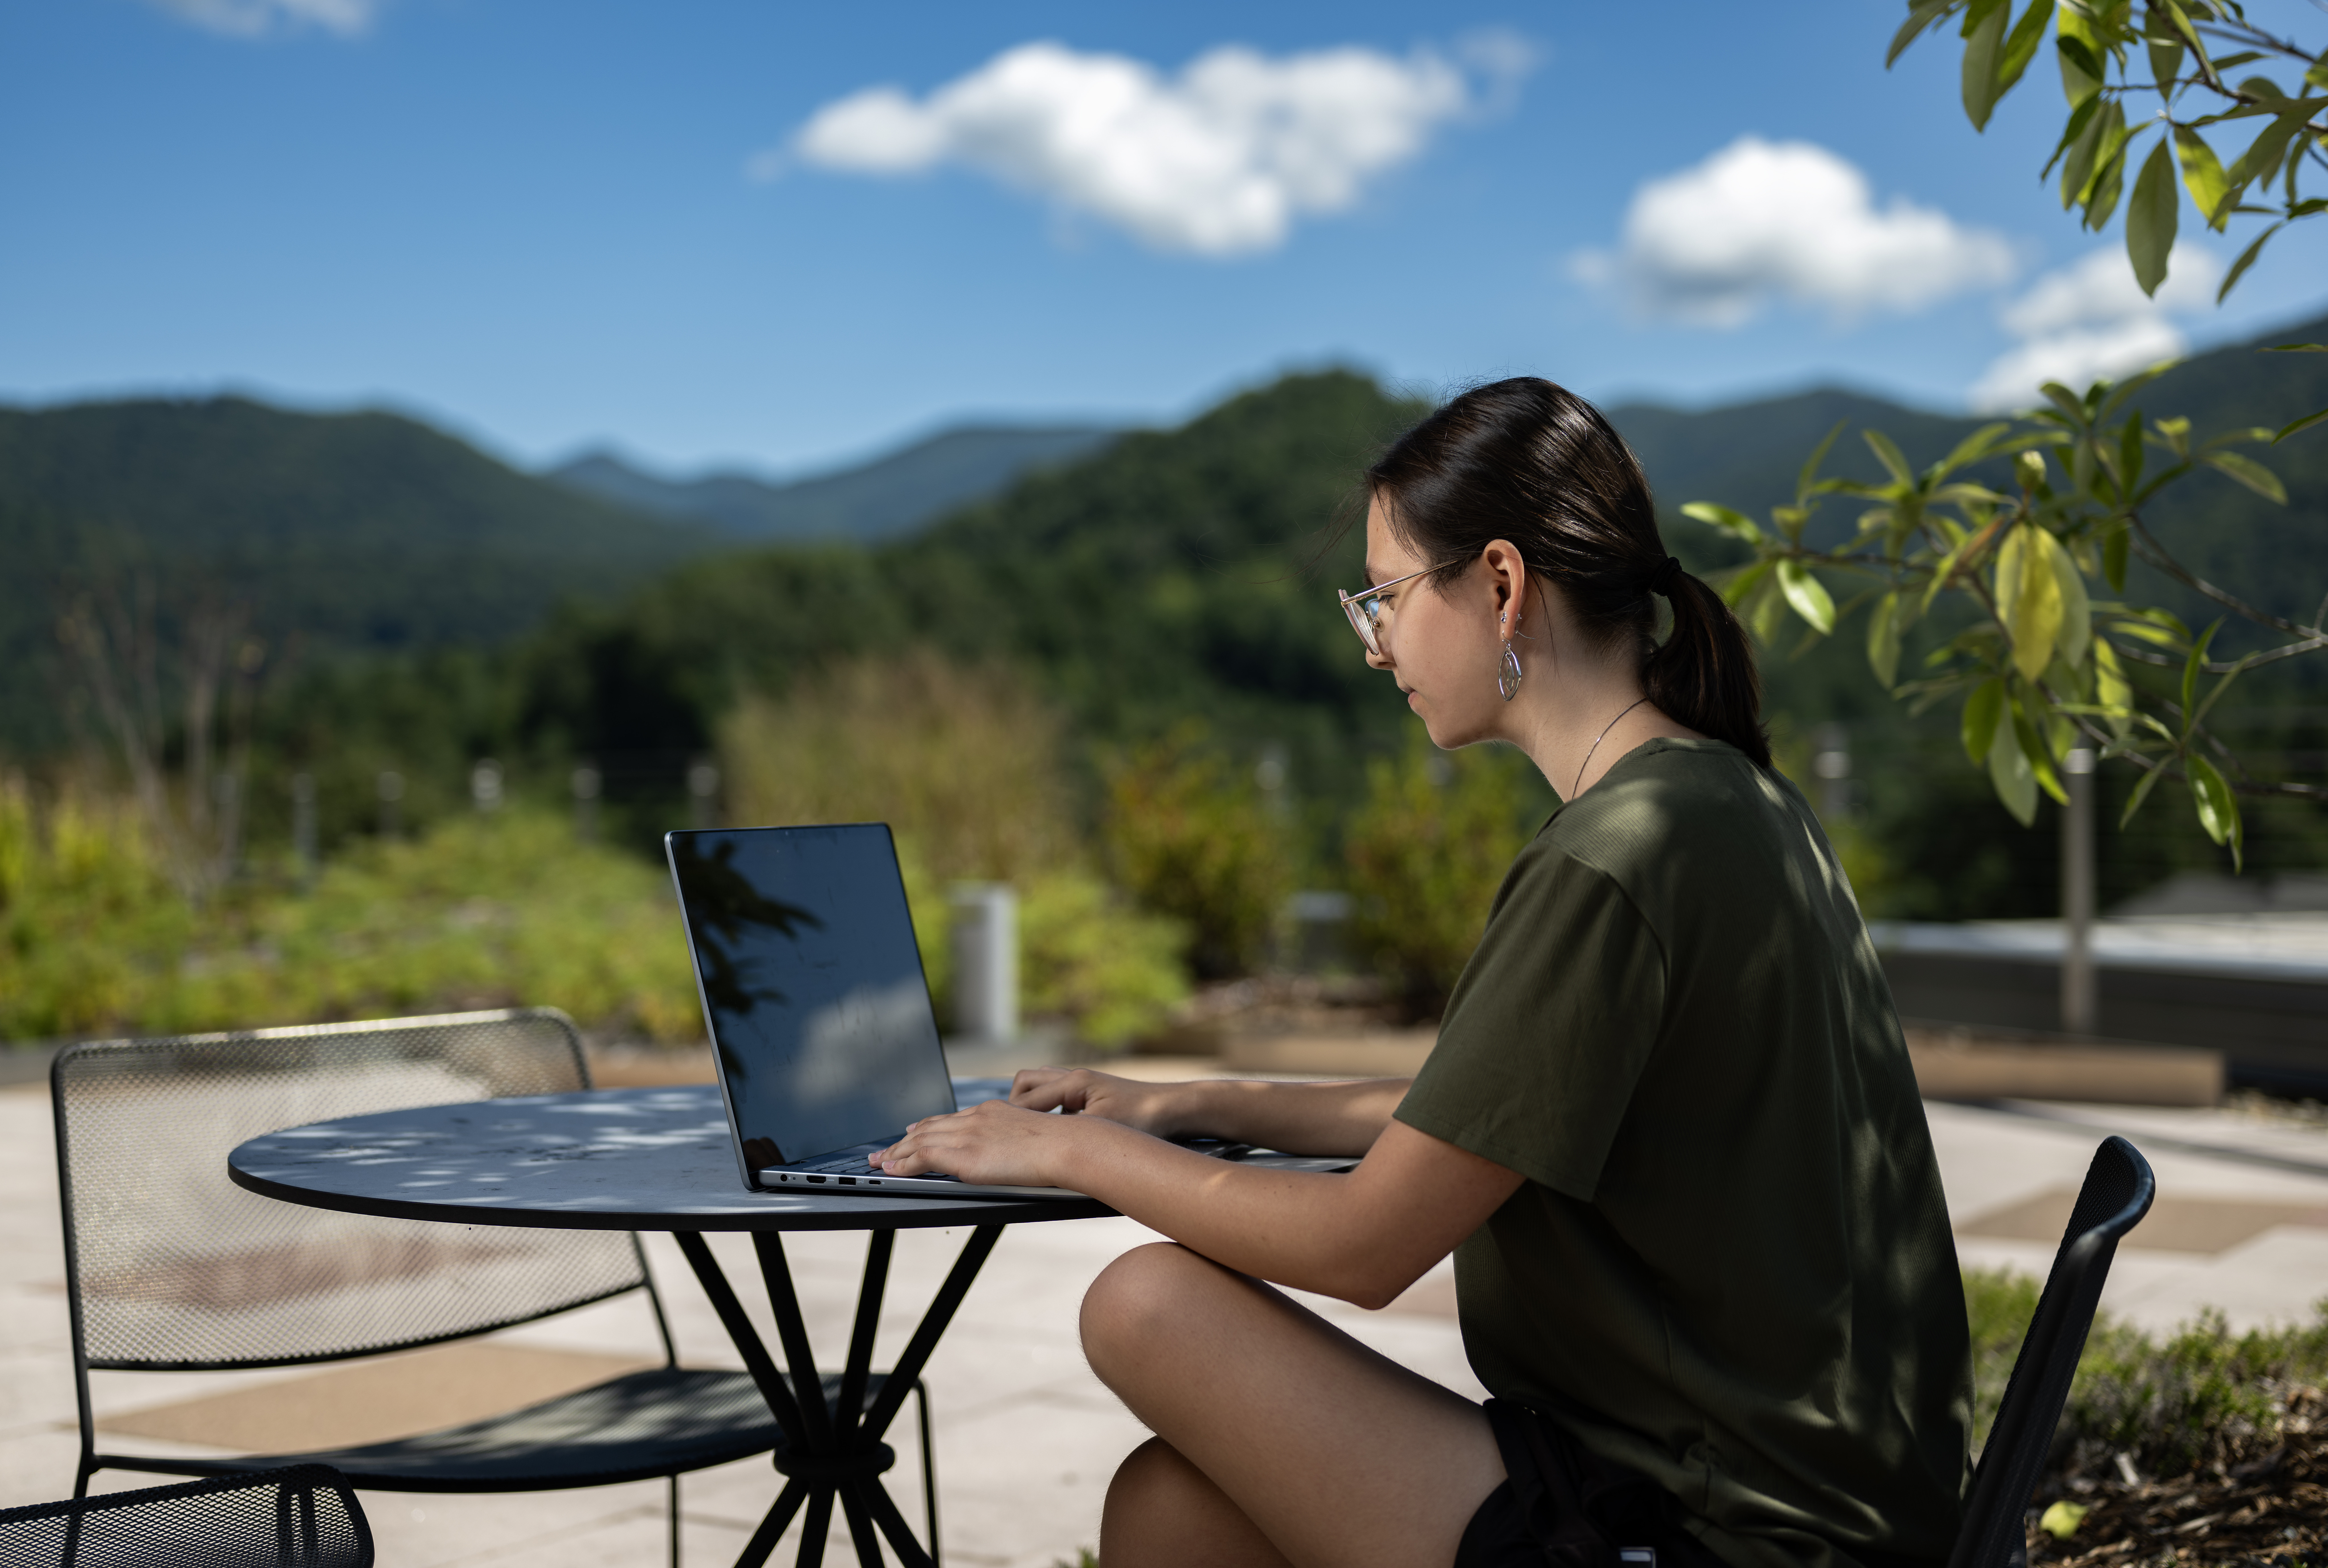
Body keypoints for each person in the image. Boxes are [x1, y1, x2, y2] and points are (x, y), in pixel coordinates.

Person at [874, 377, 1972, 1568]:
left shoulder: (1616, 858)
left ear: (1501, 585)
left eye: (1387, 596)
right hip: (1810, 1498)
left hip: (1736, 1531)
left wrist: (1078, 1151)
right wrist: (1187, 1102)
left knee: (1147, 1304)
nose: (1376, 643)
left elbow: (1368, 1243)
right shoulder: (1724, 799)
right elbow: (1472, 1125)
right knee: (1170, 1504)